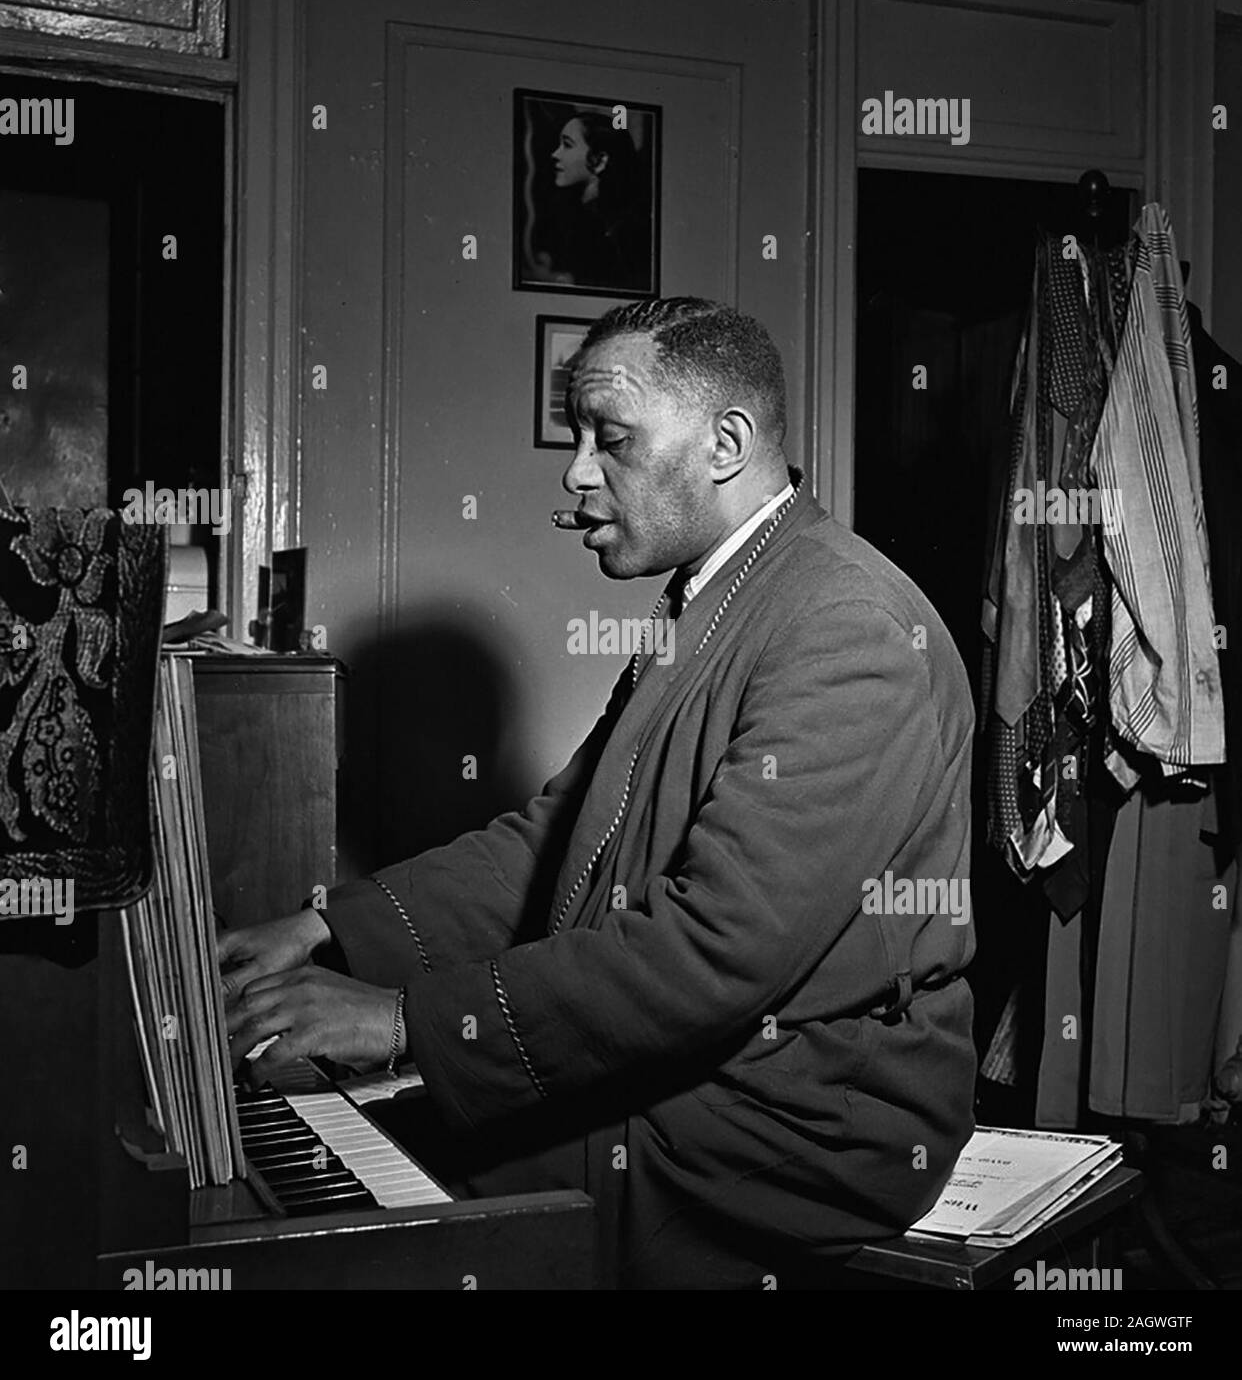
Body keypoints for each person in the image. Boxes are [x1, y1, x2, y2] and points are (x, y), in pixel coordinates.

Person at [221, 297, 977, 1289]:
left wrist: (404, 1022)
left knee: (383, 1232)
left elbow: (713, 952)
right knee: (373, 1146)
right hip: (710, 1078)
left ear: (727, 442)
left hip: (797, 1125)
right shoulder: (720, 592)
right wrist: (327, 927)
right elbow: (556, 838)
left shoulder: (847, 627)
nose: (577, 473)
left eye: (609, 439)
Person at [530, 110, 650, 292]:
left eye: (567, 145)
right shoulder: (571, 215)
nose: (555, 154)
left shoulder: (618, 228)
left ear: (600, 160)